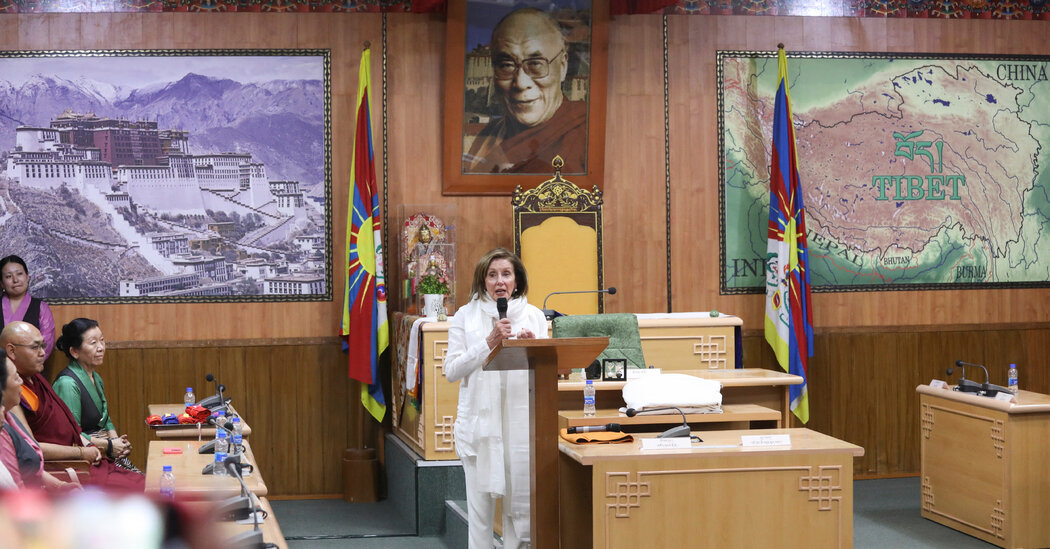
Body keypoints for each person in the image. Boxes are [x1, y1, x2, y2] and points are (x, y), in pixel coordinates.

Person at [443, 248, 547, 548]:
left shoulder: (534, 317)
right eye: (492, 275)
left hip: (520, 431)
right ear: (482, 281)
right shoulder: (466, 315)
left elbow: (548, 372)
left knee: (521, 512)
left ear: (517, 281)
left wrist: (535, 350)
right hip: (479, 431)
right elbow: (451, 371)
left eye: (506, 274)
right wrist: (488, 342)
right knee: (480, 516)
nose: (499, 281)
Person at [3, 321, 144, 491]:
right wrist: (84, 452)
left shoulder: (37, 379)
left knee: (143, 481)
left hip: (86, 457)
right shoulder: (12, 393)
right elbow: (32, 449)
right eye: (35, 348)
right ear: (11, 351)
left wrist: (96, 446)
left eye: (43, 346)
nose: (42, 353)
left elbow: (74, 427)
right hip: (66, 466)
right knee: (139, 488)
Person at [464, 8, 588, 174]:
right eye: (506, 65)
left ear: (563, 66)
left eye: (536, 64)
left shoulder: (585, 135)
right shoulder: (490, 134)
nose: (521, 83)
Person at [52, 318, 138, 473]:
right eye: (93, 343)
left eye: (102, 340)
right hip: (87, 458)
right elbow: (73, 435)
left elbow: (106, 421)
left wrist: (118, 444)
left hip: (106, 451)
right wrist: (110, 445)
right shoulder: (67, 384)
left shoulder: (96, 378)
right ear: (74, 352)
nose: (101, 347)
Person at [0, 353, 77, 490]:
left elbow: (30, 466)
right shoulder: (2, 434)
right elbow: (14, 492)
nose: (21, 382)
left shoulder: (9, 418)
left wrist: (60, 485)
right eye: (16, 377)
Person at [0, 255, 56, 361]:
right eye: (8, 276)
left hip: (31, 371)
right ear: (2, 283)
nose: (15, 280)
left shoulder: (41, 308)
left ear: (27, 277)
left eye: (19, 274)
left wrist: (24, 366)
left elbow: (46, 344)